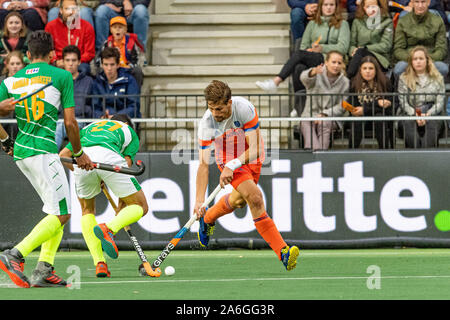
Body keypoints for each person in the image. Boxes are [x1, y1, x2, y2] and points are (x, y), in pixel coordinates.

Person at [0, 30, 93, 288]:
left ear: (28, 55)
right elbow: (71, 123)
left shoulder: (10, 81)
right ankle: (15, 254)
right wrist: (78, 153)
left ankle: (44, 269)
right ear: (53, 55)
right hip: (43, 151)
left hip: (21, 152)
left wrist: (5, 140)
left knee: (55, 209)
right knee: (62, 213)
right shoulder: (62, 75)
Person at [195, 80, 300, 271]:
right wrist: (199, 200)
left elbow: (255, 148)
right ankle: (282, 251)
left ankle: (209, 218)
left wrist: (234, 165)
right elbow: (203, 164)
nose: (215, 114)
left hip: (251, 155)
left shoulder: (244, 108)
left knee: (239, 201)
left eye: (219, 109)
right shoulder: (206, 123)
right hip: (225, 155)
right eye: (211, 109)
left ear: (229, 102)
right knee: (256, 198)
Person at [59, 114, 147, 277]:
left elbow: (63, 156)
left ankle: (100, 264)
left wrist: (84, 170)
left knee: (87, 211)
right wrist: (122, 205)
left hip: (83, 158)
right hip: (110, 158)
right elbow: (126, 167)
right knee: (141, 206)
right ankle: (109, 229)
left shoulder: (90, 128)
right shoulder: (130, 131)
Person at [256, 0, 350, 93]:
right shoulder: (313, 24)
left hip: (331, 60)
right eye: (325, 5)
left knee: (299, 54)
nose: (328, 7)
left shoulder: (343, 24)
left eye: (331, 5)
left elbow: (343, 47)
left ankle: (276, 81)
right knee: (299, 67)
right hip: (313, 58)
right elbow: (303, 46)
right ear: (320, 6)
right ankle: (299, 106)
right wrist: (309, 50)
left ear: (336, 7)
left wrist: (322, 48)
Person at [299, 51, 349, 150]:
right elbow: (304, 79)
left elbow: (343, 105)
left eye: (339, 63)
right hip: (310, 114)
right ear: (326, 62)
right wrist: (312, 72)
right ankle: (316, 151)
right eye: (333, 62)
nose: (336, 65)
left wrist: (325, 114)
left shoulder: (345, 82)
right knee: (305, 122)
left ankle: (319, 153)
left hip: (331, 117)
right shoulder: (317, 74)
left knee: (324, 122)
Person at [397, 46, 446, 148]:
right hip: (410, 113)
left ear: (427, 60)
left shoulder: (438, 77)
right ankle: (415, 157)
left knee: (432, 124)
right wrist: (417, 114)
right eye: (415, 59)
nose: (418, 61)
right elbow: (403, 102)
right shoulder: (403, 78)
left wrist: (428, 114)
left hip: (432, 113)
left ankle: (425, 157)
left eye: (421, 58)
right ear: (411, 62)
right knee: (408, 124)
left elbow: (440, 102)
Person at [347, 55, 394, 149]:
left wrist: (365, 109)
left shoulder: (385, 82)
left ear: (376, 70)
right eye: (364, 68)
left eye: (371, 68)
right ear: (360, 70)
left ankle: (385, 152)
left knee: (379, 117)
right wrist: (377, 104)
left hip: (381, 118)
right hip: (361, 118)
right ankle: (351, 152)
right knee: (358, 120)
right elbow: (353, 106)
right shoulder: (353, 83)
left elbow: (388, 105)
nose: (367, 71)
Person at [393, 0, 448, 78]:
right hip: (409, 58)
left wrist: (426, 59)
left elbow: (442, 49)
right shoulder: (403, 21)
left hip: (431, 58)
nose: (420, 5)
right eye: (417, 2)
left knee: (443, 68)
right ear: (412, 3)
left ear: (428, 2)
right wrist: (414, 59)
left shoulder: (438, 21)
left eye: (423, 2)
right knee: (399, 68)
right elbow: (398, 49)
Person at [55, 45, 93, 150]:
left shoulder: (88, 81)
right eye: (67, 60)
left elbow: (93, 103)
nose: (71, 64)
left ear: (79, 62)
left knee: (63, 126)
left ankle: (52, 158)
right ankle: (52, 158)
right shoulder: (58, 81)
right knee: (60, 126)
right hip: (61, 120)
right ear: (62, 62)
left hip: (81, 120)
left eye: (74, 60)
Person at [45, 0, 95, 75]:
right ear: (61, 10)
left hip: (79, 63)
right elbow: (48, 50)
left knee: (84, 69)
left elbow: (89, 53)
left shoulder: (86, 26)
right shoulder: (50, 27)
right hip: (59, 63)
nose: (71, 12)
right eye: (67, 9)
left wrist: (74, 61)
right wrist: (55, 61)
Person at [347, 0, 393, 79]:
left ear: (380, 7)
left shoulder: (387, 22)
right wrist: (353, 50)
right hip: (359, 56)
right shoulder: (357, 21)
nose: (371, 9)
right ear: (363, 8)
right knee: (359, 54)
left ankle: (348, 78)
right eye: (367, 6)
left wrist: (365, 48)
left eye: (374, 6)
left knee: (360, 52)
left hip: (380, 57)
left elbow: (386, 45)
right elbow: (352, 44)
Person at [92, 47, 141, 119]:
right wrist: (101, 116)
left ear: (118, 65)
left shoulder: (129, 80)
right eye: (106, 64)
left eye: (112, 64)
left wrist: (116, 117)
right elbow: (95, 107)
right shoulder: (98, 81)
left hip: (124, 121)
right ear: (102, 65)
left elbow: (134, 106)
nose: (109, 68)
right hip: (103, 122)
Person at [96, 16, 145, 87]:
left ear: (125, 30)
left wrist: (130, 66)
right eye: (115, 27)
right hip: (112, 68)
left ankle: (135, 95)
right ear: (111, 30)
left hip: (127, 69)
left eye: (120, 27)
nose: (117, 30)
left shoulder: (132, 42)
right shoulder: (107, 44)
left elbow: (139, 60)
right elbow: (100, 60)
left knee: (137, 71)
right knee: (99, 72)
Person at [0, 51, 26, 141]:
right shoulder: (1, 81)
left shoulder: (28, 81)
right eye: (12, 64)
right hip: (3, 120)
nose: (15, 66)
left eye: (18, 63)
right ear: (7, 65)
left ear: (23, 65)